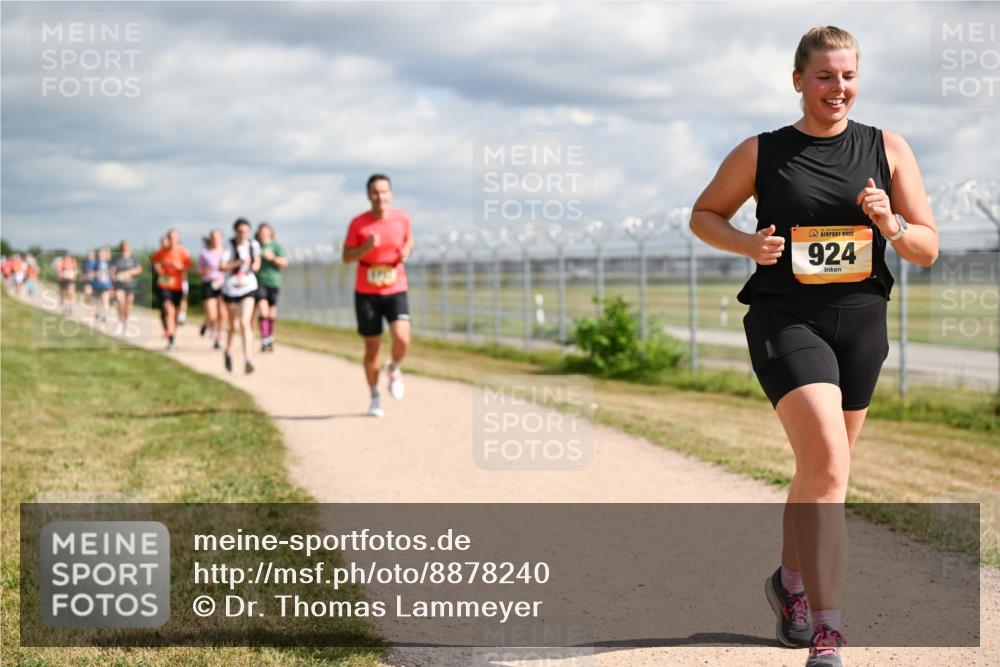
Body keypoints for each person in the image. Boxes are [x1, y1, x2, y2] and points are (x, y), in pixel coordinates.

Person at [690, 26, 938, 667]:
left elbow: (927, 249)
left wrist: (890, 223)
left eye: (848, 75)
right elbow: (704, 214)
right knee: (828, 465)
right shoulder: (763, 151)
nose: (838, 87)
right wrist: (748, 244)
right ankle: (829, 633)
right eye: (824, 75)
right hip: (786, 319)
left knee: (820, 472)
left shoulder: (888, 148)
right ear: (798, 80)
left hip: (861, 324)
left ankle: (789, 586)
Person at [342, 174, 413, 417]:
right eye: (375, 192)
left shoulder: (402, 218)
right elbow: (346, 257)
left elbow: (408, 240)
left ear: (390, 194)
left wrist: (407, 250)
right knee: (372, 346)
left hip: (395, 286)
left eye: (384, 191)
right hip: (366, 291)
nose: (380, 196)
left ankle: (394, 367)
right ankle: (374, 396)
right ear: (368, 195)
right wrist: (366, 247)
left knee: (402, 337)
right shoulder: (358, 224)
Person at [220, 218, 261, 374]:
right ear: (235, 232)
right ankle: (228, 351)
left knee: (245, 322)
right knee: (234, 325)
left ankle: (248, 359)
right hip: (231, 289)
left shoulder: (253, 245)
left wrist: (254, 265)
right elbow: (222, 266)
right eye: (240, 231)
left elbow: (257, 263)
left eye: (246, 231)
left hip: (248, 287)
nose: (243, 234)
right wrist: (238, 262)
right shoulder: (228, 246)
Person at [151, 229, 192, 350]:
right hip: (164, 286)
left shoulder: (183, 252)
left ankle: (172, 335)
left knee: (175, 314)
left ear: (178, 239)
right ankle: (171, 338)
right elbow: (153, 261)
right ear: (168, 239)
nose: (172, 240)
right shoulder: (161, 252)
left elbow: (189, 267)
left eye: (174, 237)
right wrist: (157, 267)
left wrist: (181, 267)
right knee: (169, 310)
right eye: (170, 237)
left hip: (177, 287)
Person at [254, 222, 288, 352]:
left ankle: (270, 337)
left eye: (265, 232)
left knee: (271, 313)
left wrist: (272, 257)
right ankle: (265, 338)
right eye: (261, 232)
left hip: (274, 282)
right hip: (259, 282)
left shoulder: (276, 246)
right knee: (263, 311)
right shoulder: (256, 246)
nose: (262, 234)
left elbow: (284, 262)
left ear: (270, 233)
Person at [198, 229, 226, 349]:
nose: (216, 240)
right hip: (209, 284)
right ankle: (207, 322)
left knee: (222, 313)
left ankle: (218, 338)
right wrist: (204, 271)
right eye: (214, 237)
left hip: (223, 284)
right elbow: (199, 270)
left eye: (218, 237)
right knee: (212, 314)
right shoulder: (205, 253)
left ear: (221, 239)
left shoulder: (226, 252)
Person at [111, 240, 142, 327]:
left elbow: (139, 269)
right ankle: (120, 319)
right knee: (120, 301)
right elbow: (112, 270)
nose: (124, 249)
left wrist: (131, 272)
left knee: (128, 305)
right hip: (119, 284)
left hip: (130, 284)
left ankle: (125, 319)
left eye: (126, 247)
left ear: (129, 248)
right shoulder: (116, 258)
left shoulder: (134, 258)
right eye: (123, 247)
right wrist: (114, 276)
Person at [91, 247, 114, 322]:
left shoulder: (109, 263)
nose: (101, 255)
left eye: (103, 253)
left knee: (105, 299)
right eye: (100, 253)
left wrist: (112, 285)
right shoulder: (95, 263)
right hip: (97, 284)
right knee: (98, 300)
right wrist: (96, 274)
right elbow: (91, 272)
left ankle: (104, 315)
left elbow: (112, 274)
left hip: (106, 284)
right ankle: (97, 312)